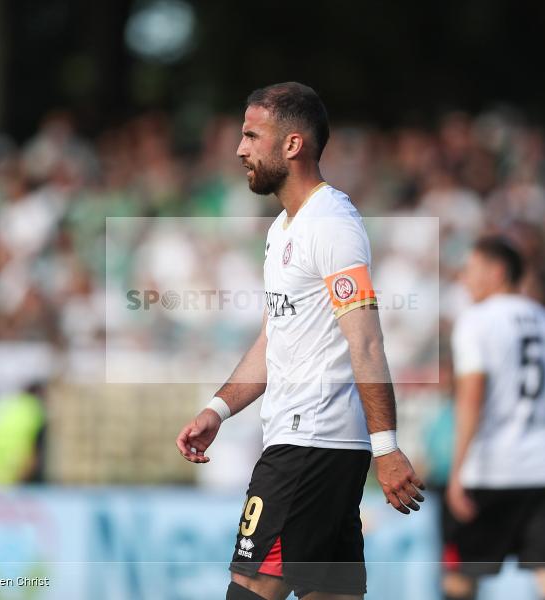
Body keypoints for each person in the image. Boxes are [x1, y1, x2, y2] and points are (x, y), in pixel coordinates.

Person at [175, 82, 424, 600]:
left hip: (306, 443)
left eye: (251, 135)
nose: (240, 149)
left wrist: (387, 447)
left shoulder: (331, 224)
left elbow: (368, 342)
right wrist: (218, 410)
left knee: (249, 587)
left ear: (291, 145)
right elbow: (274, 340)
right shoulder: (284, 229)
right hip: (319, 448)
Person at [442, 236, 545, 600]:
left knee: (460, 579)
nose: (464, 279)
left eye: (470, 270)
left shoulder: (476, 321)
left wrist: (456, 473)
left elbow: (471, 399)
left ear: (497, 272)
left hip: (490, 471)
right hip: (543, 468)